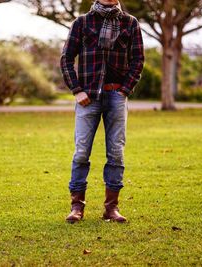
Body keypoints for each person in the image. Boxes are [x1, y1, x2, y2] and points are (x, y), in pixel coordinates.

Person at [60, 0, 144, 223]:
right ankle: (77, 207)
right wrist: (77, 90)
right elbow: (66, 59)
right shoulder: (82, 23)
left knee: (116, 153)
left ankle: (111, 209)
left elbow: (138, 60)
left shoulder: (130, 23)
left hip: (116, 95)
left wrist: (125, 90)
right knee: (81, 152)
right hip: (87, 97)